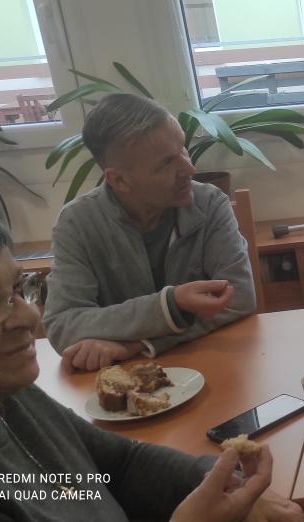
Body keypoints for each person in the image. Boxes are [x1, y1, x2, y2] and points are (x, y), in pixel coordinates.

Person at [0, 194, 302, 521]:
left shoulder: (11, 400)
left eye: (18, 290)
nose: (29, 316)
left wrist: (217, 482)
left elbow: (123, 465)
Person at [43, 93, 256, 371]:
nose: (189, 168)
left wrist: (138, 345)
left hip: (212, 369)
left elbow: (239, 299)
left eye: (183, 148)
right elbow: (62, 325)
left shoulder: (209, 203)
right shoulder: (78, 223)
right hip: (123, 386)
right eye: (166, 163)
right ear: (120, 180)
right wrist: (170, 305)